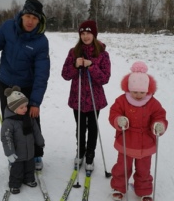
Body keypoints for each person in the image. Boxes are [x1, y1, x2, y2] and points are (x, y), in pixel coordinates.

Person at [0, 0, 50, 169]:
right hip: (7, 85)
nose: (30, 21)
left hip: (27, 86)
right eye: (27, 16)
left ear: (39, 20)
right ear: (22, 15)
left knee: (30, 120)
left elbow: (42, 74)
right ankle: (14, 154)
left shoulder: (41, 41)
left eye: (34, 18)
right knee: (10, 121)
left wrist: (35, 102)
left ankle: (36, 154)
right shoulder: (8, 27)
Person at [109, 61, 168, 201]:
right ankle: (119, 187)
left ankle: (144, 191)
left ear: (148, 89)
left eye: (142, 92)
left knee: (144, 170)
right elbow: (114, 113)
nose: (138, 95)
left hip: (146, 142)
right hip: (126, 140)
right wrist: (119, 120)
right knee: (122, 167)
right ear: (128, 88)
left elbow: (159, 116)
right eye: (135, 91)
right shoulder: (122, 100)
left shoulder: (153, 102)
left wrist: (159, 124)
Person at [61, 20, 111, 171]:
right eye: (82, 33)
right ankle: (80, 153)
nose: (85, 36)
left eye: (88, 33)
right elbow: (65, 75)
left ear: (94, 34)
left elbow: (105, 78)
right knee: (80, 128)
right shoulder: (73, 52)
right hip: (78, 99)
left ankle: (90, 156)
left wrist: (91, 66)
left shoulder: (102, 54)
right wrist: (75, 65)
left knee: (93, 128)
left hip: (95, 99)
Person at [1, 86, 45, 194]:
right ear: (13, 108)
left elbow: (36, 130)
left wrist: (40, 142)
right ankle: (15, 184)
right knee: (17, 170)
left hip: (30, 150)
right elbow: (6, 138)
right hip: (17, 153)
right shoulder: (8, 122)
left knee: (30, 167)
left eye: (26, 106)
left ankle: (29, 179)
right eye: (22, 108)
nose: (25, 109)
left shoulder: (28, 117)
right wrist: (10, 153)